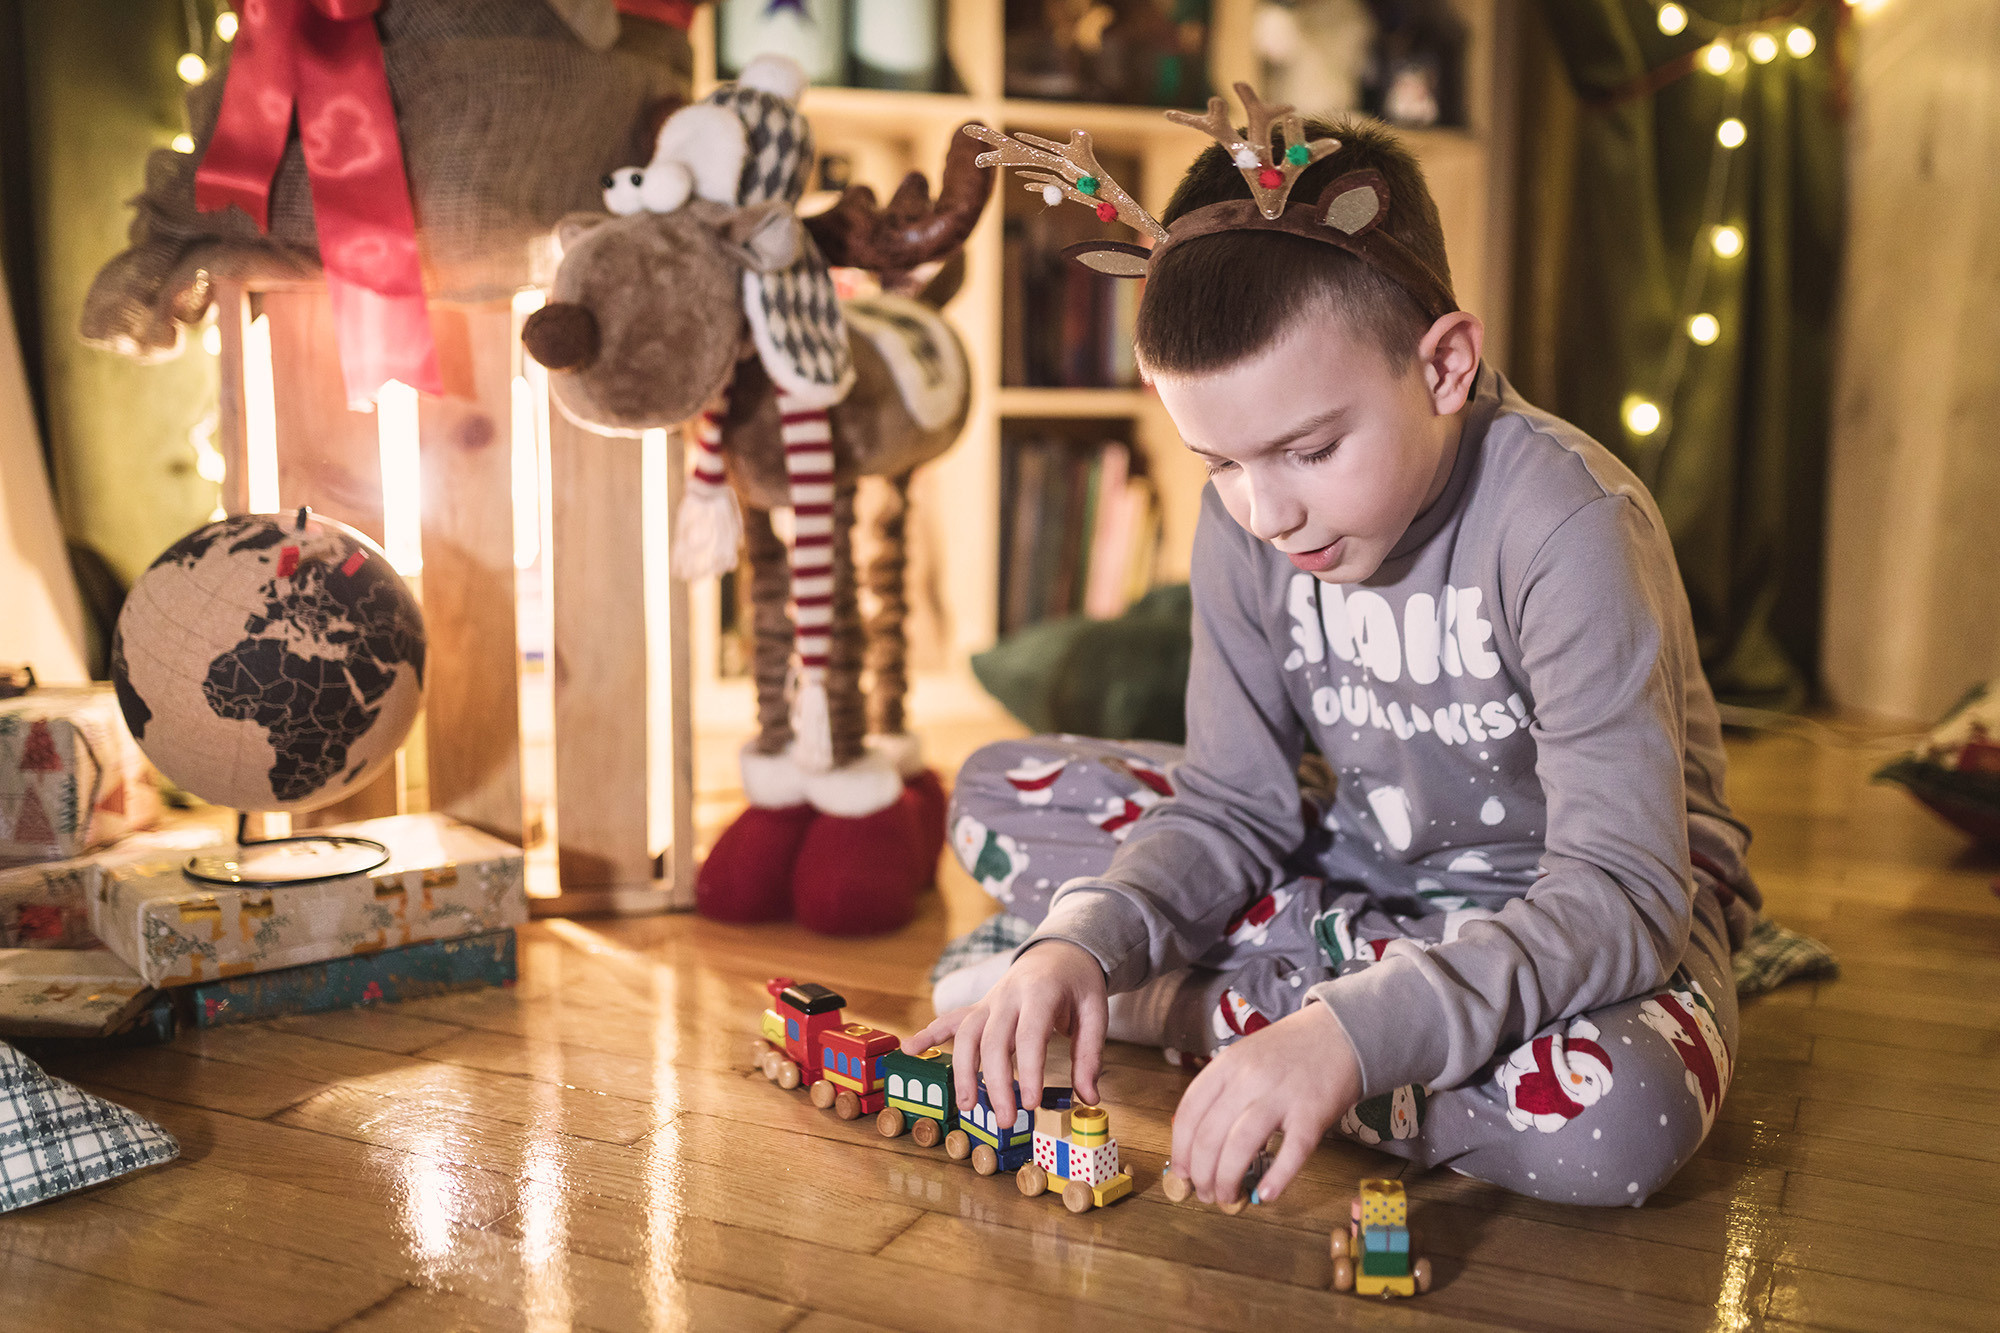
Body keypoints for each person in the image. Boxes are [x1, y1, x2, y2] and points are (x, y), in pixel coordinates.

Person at [908, 103, 1765, 1210]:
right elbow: (1231, 803)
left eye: (1308, 448)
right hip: (1354, 868)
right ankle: (1165, 991)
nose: (1263, 510)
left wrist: (1346, 1039)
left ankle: (1207, 1012)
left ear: (1445, 364)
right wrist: (1084, 942)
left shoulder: (1568, 523)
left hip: (1568, 920)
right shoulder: (1246, 519)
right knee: (988, 794)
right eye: (1215, 460)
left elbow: (1620, 892)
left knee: (1615, 1122)